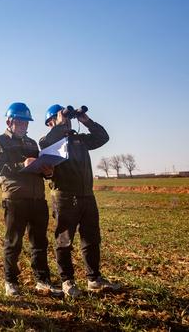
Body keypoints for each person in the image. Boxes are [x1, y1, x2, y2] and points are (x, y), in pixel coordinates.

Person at [40, 104, 120, 298]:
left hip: (87, 195)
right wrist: (59, 125)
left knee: (92, 239)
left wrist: (86, 120)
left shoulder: (79, 140)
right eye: (61, 119)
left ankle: (94, 279)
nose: (67, 121)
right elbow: (44, 144)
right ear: (52, 121)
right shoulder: (49, 140)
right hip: (65, 197)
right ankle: (67, 280)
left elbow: (103, 137)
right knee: (64, 241)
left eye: (67, 118)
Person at [0, 102, 63, 298]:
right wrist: (22, 163)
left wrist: (47, 171)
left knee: (39, 242)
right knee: (13, 242)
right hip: (15, 199)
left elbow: (38, 167)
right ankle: (11, 282)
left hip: (37, 199)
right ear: (9, 121)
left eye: (26, 123)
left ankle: (42, 280)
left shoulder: (32, 143)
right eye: (19, 122)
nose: (23, 126)